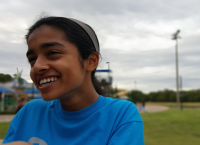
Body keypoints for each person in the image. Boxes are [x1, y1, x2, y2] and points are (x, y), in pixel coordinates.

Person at [3, 16, 144, 145]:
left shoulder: (121, 115)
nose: (37, 66)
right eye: (32, 59)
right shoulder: (29, 112)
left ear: (91, 61)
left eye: (52, 53)